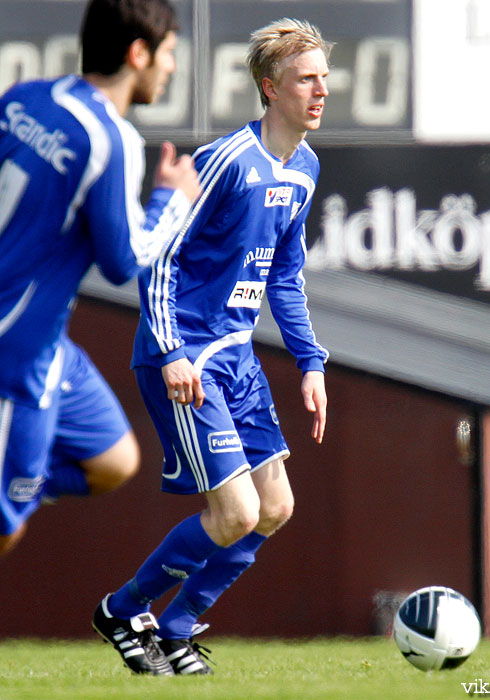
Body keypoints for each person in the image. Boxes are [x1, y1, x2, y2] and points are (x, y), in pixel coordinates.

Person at [93, 17, 332, 676]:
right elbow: (159, 258)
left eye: (323, 80)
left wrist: (310, 363)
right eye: (305, 80)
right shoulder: (224, 161)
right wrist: (170, 350)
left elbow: (284, 275)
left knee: (275, 508)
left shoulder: (304, 167)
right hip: (186, 355)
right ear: (269, 87)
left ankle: (172, 627)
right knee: (234, 513)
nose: (320, 92)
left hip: (235, 356)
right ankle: (121, 608)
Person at [0, 0, 200, 558]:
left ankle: (13, 477)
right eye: (169, 55)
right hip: (16, 354)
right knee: (5, 529)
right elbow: (123, 261)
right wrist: (173, 198)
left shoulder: (24, 97)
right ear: (138, 53)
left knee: (113, 460)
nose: (172, 68)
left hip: (44, 338)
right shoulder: (111, 141)